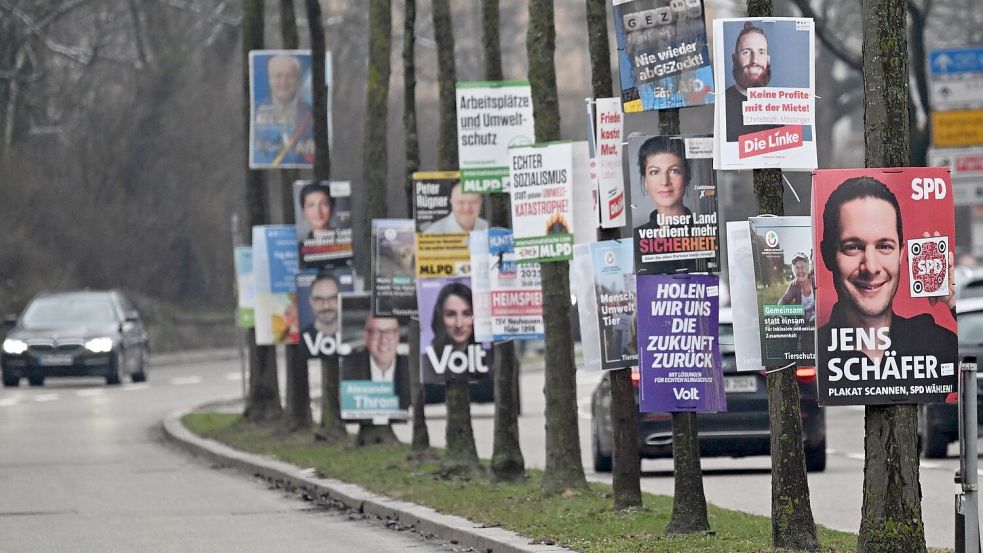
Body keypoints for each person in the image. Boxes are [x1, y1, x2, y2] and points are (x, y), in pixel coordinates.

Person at [817, 176, 956, 375]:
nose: (871, 267)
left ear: (900, 253)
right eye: (853, 247)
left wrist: (953, 302)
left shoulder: (935, 342)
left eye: (884, 246)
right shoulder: (813, 354)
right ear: (827, 255)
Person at [633, 136, 701, 273]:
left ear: (687, 176)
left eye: (674, 171)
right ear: (645, 181)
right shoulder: (635, 239)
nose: (664, 181)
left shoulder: (705, 232)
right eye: (654, 172)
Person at [253, 54, 314, 166]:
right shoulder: (255, 111)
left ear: (297, 80)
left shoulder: (311, 114)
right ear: (270, 80)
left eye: (289, 76)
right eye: (278, 76)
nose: (283, 82)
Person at [724, 22, 781, 143]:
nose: (755, 60)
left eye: (761, 52)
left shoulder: (779, 108)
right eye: (746, 52)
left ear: (768, 60)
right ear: (734, 59)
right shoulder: (721, 104)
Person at [421, 281, 489, 380]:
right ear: (440, 318)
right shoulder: (425, 363)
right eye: (451, 314)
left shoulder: (490, 361)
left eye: (466, 314)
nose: (459, 324)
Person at [341, 316, 410, 411]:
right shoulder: (349, 370)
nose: (383, 340)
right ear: (366, 337)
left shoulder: (410, 371)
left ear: (397, 337)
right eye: (376, 333)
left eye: (389, 332)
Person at [424, 184, 489, 233]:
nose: (466, 208)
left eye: (473, 202)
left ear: (481, 203)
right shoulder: (432, 233)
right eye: (461, 202)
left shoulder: (489, 228)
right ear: (451, 203)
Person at [779, 253, 816, 324]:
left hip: (817, 320)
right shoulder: (794, 284)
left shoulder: (815, 281)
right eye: (797, 267)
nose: (800, 271)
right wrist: (779, 313)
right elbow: (784, 299)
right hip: (802, 323)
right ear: (793, 271)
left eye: (802, 267)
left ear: (808, 268)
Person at [301, 272, 340, 340]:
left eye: (332, 298)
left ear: (340, 299)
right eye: (319, 299)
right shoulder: (300, 340)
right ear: (311, 302)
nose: (326, 306)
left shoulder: (354, 337)